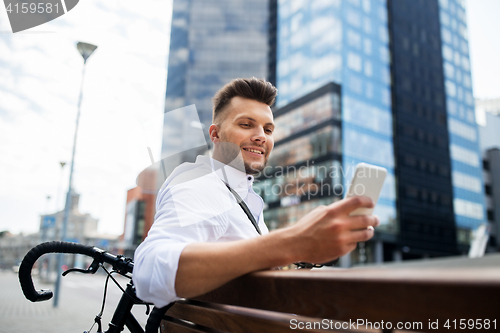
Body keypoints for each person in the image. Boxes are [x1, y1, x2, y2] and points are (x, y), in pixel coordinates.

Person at [133, 78, 379, 307]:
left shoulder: (244, 196)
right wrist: (294, 241)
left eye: (268, 129)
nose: (261, 136)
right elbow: (150, 271)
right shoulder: (201, 182)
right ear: (215, 134)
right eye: (246, 124)